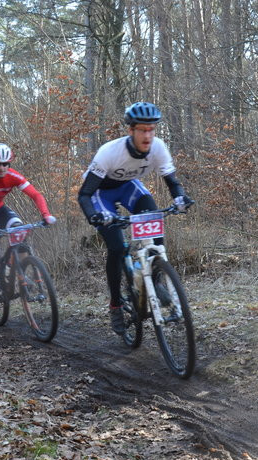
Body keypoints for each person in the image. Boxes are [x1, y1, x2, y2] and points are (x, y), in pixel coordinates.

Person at [77, 102, 193, 335]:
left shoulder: (159, 148)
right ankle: (116, 305)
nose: (147, 135)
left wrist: (180, 198)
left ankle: (156, 277)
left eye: (151, 129)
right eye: (142, 129)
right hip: (100, 194)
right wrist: (95, 216)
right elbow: (85, 194)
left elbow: (173, 183)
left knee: (154, 222)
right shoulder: (109, 152)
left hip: (129, 187)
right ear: (130, 130)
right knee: (117, 247)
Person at [0, 143, 56, 300]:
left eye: (5, 164)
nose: (2, 168)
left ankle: (15, 270)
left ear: (9, 163)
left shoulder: (13, 176)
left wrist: (46, 214)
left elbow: (36, 195)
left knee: (20, 232)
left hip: (0, 212)